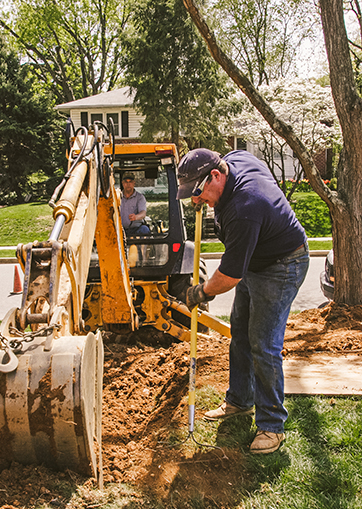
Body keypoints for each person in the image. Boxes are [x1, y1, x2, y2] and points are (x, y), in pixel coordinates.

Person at [177, 149, 309, 454]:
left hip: (283, 265)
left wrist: (201, 292)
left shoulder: (245, 209)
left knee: (263, 344)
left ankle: (272, 426)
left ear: (215, 176)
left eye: (197, 194)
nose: (196, 201)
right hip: (257, 259)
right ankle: (240, 400)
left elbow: (228, 276)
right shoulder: (234, 159)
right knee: (240, 332)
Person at [120, 172, 151, 236]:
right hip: (120, 229)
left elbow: (143, 213)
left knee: (145, 230)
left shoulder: (140, 197)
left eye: (130, 182)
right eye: (126, 182)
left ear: (134, 183)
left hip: (136, 229)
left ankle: (142, 246)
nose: (128, 184)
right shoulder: (117, 197)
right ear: (122, 183)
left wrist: (136, 217)